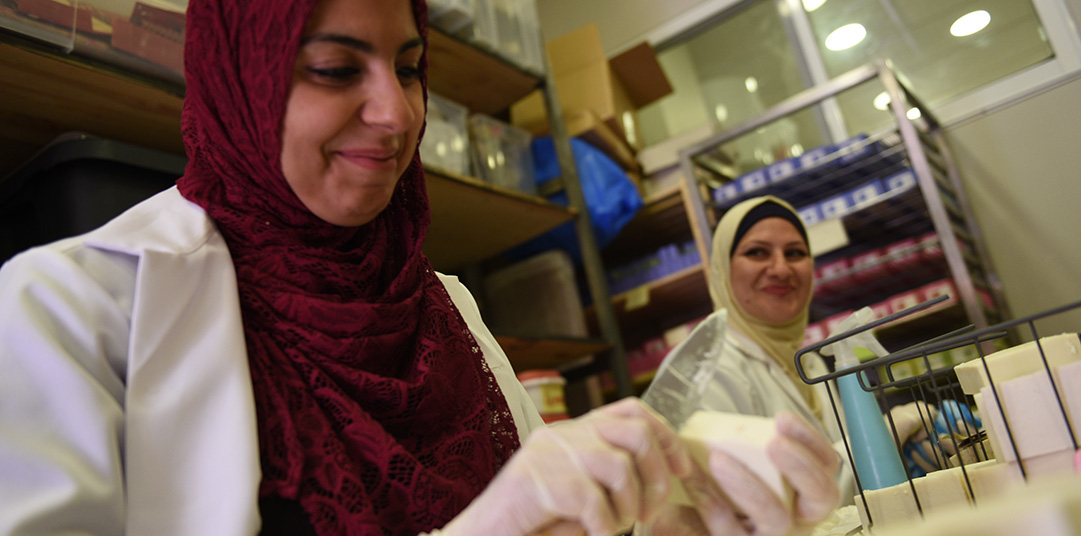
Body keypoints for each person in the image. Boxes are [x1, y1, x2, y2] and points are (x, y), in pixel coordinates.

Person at [0, 0, 840, 535]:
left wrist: (664, 518)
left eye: (408, 68)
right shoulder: (69, 314)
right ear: (241, 80)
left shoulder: (445, 312)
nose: (397, 113)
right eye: (336, 69)